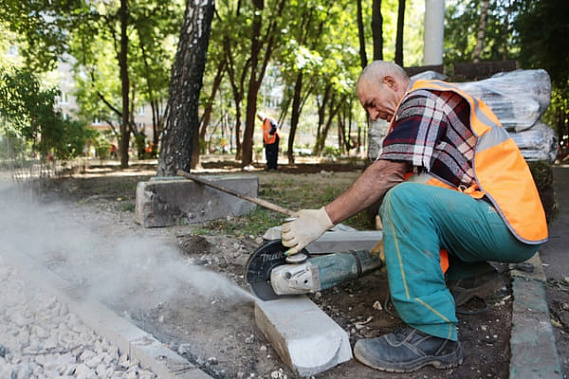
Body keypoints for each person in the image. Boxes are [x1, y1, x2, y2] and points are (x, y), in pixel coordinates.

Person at [281, 61, 548, 372]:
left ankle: (431, 332)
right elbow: (429, 186)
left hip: (503, 222)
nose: (372, 114)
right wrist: (397, 234)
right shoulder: (431, 106)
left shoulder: (421, 99)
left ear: (391, 83)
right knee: (404, 199)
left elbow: (387, 174)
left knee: (401, 198)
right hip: (510, 224)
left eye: (371, 103)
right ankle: (472, 276)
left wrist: (324, 218)